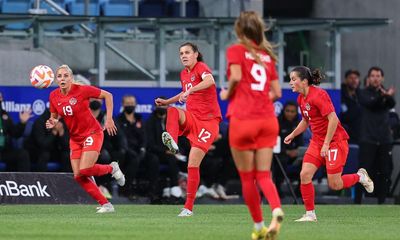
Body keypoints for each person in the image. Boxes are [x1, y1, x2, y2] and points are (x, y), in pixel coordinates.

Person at [219, 11, 284, 240]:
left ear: (239, 30)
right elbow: (277, 93)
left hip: (243, 119)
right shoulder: (266, 55)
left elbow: (235, 76)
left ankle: (259, 227)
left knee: (248, 178)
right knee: (264, 175)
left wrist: (227, 93)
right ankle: (277, 209)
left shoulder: (236, 50)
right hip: (267, 120)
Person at [284, 66, 374, 222]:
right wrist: (292, 135)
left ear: (304, 81)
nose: (291, 83)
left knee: (335, 184)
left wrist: (326, 144)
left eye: (293, 79)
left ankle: (360, 177)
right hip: (317, 141)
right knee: (304, 175)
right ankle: (310, 214)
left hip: (334, 142)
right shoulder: (301, 98)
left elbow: (333, 119)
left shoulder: (319, 95)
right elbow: (306, 121)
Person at [46, 64, 125, 213]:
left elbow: (108, 95)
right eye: (59, 76)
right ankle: (106, 205)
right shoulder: (53, 96)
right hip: (75, 138)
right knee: (78, 176)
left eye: (65, 76)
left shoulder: (82, 90)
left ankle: (112, 168)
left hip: (92, 133)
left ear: (71, 78)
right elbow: (54, 116)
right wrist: (53, 122)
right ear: (56, 80)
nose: (62, 78)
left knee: (86, 169)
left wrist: (109, 119)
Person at [155, 42, 222, 217]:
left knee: (193, 163)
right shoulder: (184, 73)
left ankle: (188, 208)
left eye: (187, 52)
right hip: (192, 118)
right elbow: (184, 92)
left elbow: (210, 81)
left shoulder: (201, 67)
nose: (183, 56)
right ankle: (173, 143)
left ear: (196, 54)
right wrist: (167, 101)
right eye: (181, 53)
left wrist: (190, 90)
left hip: (208, 122)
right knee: (173, 111)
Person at [355, 66, 396, 204]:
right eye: (373, 76)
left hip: (384, 139)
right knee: (363, 171)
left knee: (385, 171)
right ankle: (357, 201)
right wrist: (384, 96)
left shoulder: (385, 94)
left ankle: (382, 202)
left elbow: (392, 103)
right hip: (368, 138)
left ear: (382, 78)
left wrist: (387, 95)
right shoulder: (362, 92)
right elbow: (371, 104)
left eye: (378, 76)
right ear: (368, 78)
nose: (375, 78)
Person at [116, 95, 160, 203]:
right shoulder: (118, 120)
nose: (130, 105)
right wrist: (130, 151)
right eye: (127, 103)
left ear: (135, 105)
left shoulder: (139, 119)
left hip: (140, 151)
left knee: (153, 159)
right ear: (123, 105)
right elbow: (121, 139)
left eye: (132, 103)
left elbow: (144, 137)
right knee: (134, 159)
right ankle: (127, 190)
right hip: (126, 151)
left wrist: (143, 149)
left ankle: (152, 192)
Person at [274, 101, 304, 197]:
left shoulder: (299, 124)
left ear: (296, 113)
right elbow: (274, 141)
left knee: (306, 162)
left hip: (294, 155)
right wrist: (286, 151)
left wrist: (297, 151)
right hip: (279, 154)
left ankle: (300, 190)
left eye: (292, 111)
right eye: (287, 111)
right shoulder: (277, 122)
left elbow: (301, 142)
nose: (289, 114)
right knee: (280, 161)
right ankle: (277, 189)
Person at [0, 91, 32, 172]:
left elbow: (15, 133)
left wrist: (22, 123)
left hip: (4, 152)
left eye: (1, 97)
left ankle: (24, 183)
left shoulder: (4, 115)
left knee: (22, 154)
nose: (1, 99)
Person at [340, 69, 362, 144]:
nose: (354, 80)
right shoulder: (341, 95)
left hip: (359, 135)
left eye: (356, 78)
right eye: (351, 78)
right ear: (346, 80)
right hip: (345, 135)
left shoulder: (360, 94)